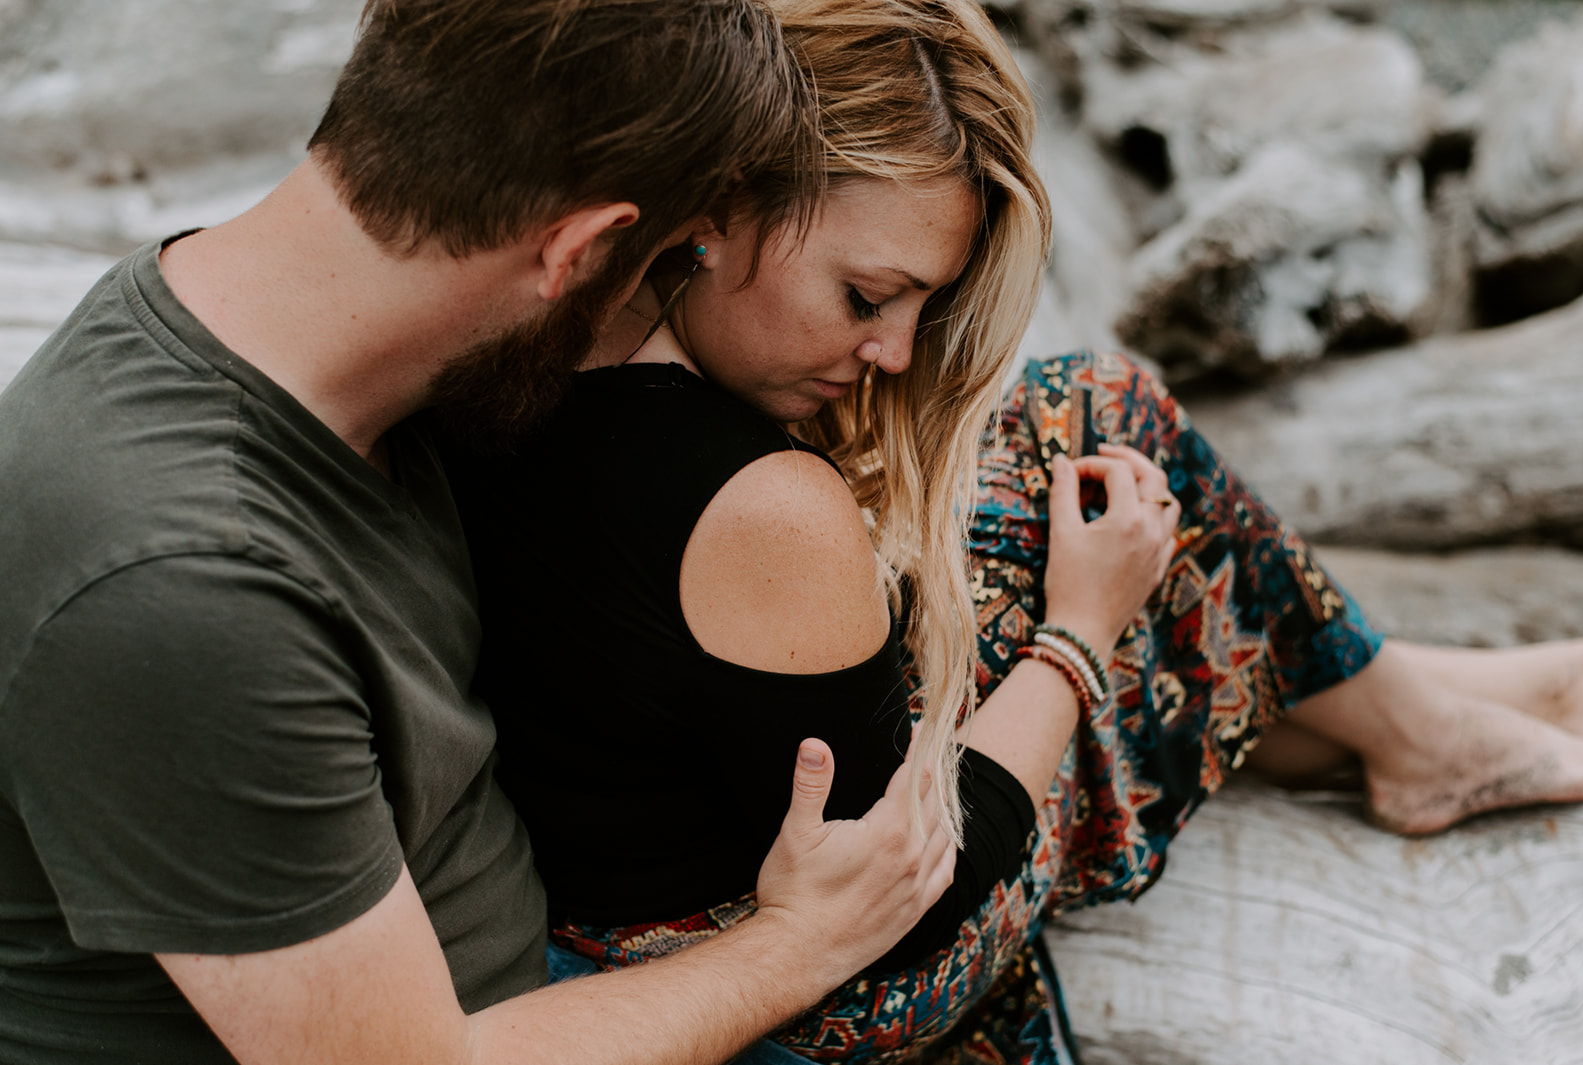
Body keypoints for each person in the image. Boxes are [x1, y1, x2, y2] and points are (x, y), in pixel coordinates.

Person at [454, 0, 1583, 1060]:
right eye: (867, 296)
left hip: (657, 847)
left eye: (921, 308)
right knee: (1106, 445)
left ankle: (1448, 706)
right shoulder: (754, 506)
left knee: (1076, 435)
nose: (895, 356)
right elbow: (911, 890)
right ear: (720, 206)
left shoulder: (522, 327)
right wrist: (1078, 633)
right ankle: (1435, 727)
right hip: (816, 989)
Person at [0, 2, 961, 1063]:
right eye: (663, 267)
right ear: (584, 249)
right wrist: (796, 943)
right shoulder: (181, 591)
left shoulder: (285, 317)